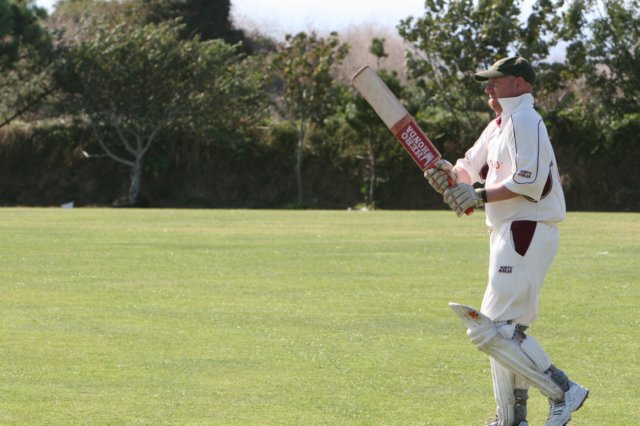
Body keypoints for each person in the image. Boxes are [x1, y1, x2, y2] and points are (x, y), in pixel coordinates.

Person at [425, 57, 589, 426]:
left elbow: (530, 182)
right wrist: (448, 174)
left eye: (495, 82)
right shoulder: (499, 125)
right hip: (507, 231)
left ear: (518, 83)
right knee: (503, 330)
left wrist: (478, 195)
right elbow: (468, 166)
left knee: (494, 330)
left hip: (526, 228)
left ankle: (563, 391)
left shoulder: (525, 120)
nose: (488, 88)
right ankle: (511, 417)